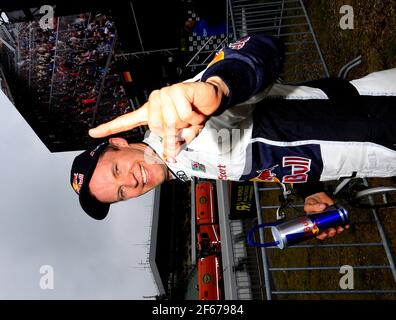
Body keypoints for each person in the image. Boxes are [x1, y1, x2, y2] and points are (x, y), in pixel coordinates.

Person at [71, 34, 396, 241]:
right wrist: (310, 192)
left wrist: (219, 88)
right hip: (378, 151)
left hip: (383, 112)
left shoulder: (178, 128)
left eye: (116, 171)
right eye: (121, 193)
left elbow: (262, 48)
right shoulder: (184, 167)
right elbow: (274, 140)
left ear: (118, 144)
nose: (131, 183)